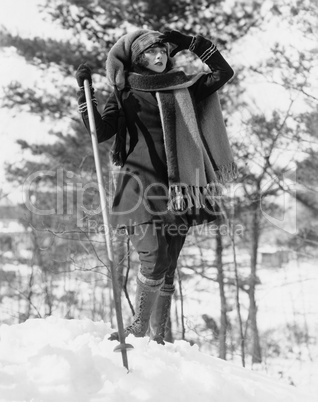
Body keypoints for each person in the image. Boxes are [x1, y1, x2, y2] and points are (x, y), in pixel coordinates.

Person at [75, 29, 236, 345]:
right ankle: (138, 328)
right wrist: (86, 92)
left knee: (169, 263)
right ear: (137, 59)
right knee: (154, 257)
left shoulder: (184, 87)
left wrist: (192, 42)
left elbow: (222, 72)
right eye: (150, 53)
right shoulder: (125, 93)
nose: (159, 56)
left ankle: (157, 337)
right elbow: (101, 131)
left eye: (162, 50)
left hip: (181, 188)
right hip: (139, 187)